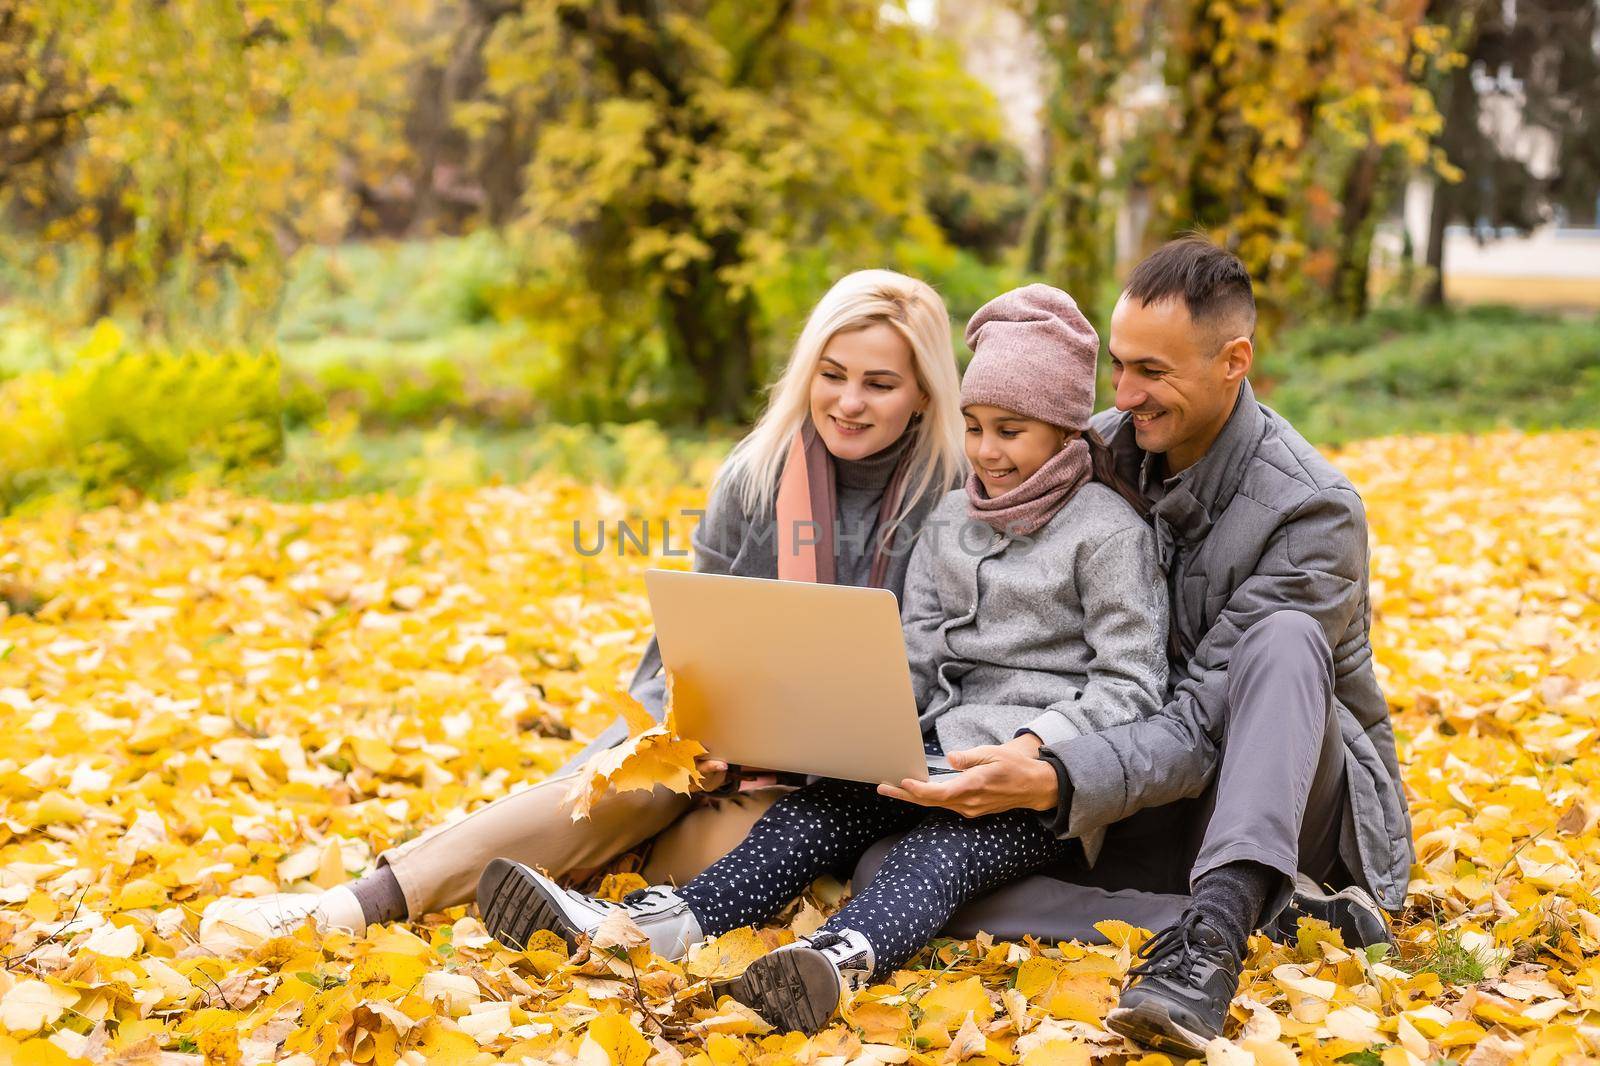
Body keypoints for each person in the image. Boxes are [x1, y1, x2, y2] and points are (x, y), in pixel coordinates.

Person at [476, 284, 1169, 1035]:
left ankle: (840, 960)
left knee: (934, 857)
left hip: (1033, 786)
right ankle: (652, 926)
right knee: (806, 819)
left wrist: (1037, 753)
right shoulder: (952, 517)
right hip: (934, 754)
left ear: (1066, 431)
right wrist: (857, 723)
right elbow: (921, 653)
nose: (987, 452)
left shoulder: (1107, 533)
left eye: (1011, 431)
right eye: (972, 428)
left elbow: (1130, 682)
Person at [231, 269, 967, 936]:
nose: (847, 401)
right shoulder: (755, 476)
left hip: (833, 794)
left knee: (694, 854)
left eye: (878, 384)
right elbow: (679, 653)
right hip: (712, 751)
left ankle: (573, 903)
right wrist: (683, 738)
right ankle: (357, 904)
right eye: (831, 375)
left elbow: (950, 674)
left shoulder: (955, 501)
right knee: (624, 790)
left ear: (924, 393)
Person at [865, 237, 1412, 1058]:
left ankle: (1211, 945)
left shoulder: (1314, 511)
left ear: (1234, 360)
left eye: (1151, 372)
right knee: (891, 874)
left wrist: (1054, 777)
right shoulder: (1097, 450)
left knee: (1286, 641)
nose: (1123, 395)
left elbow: (1200, 724)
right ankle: (1242, 915)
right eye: (1117, 366)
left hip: (1285, 795)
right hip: (1139, 785)